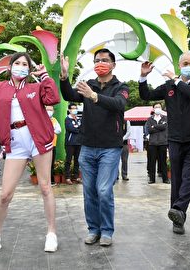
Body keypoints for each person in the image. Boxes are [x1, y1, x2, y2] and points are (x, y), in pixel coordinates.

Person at [0, 52, 60, 253]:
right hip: (14, 143)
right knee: (5, 194)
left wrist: (45, 76)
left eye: (25, 64)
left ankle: (51, 233)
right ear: (10, 66)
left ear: (30, 70)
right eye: (18, 63)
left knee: (45, 187)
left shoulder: (35, 87)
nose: (21, 66)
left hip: (38, 139)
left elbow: (53, 98)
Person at [60, 48, 129, 246]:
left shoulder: (120, 87)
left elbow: (119, 104)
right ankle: (94, 229)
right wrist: (64, 78)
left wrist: (94, 96)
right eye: (97, 60)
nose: (101, 63)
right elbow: (69, 96)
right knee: (89, 190)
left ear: (113, 65)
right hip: (87, 146)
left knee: (104, 189)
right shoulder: (89, 84)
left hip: (110, 147)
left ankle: (107, 231)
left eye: (105, 60)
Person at [139, 51, 190, 235]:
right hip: (175, 139)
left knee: (189, 178)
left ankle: (178, 209)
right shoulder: (168, 86)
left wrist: (177, 81)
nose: (188, 66)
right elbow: (146, 95)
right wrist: (143, 77)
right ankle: (177, 218)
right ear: (179, 65)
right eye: (184, 63)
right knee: (176, 179)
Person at [145, 102, 169, 184]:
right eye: (156, 107)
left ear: (161, 108)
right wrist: (158, 127)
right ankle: (152, 179)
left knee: (163, 162)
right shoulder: (149, 119)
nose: (157, 108)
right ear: (153, 109)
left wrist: (154, 126)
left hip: (163, 142)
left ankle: (165, 179)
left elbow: (164, 127)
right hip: (152, 143)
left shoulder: (165, 118)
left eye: (159, 107)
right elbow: (149, 130)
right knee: (152, 162)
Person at [64, 103, 81, 184]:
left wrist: (77, 128)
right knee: (68, 160)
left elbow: (82, 128)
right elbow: (71, 129)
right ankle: (67, 177)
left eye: (75, 108)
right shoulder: (67, 119)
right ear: (69, 110)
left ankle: (76, 176)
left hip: (78, 143)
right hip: (70, 143)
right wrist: (78, 129)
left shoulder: (78, 119)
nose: (74, 110)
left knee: (77, 160)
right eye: (73, 108)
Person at [46, 105, 61, 186]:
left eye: (51, 110)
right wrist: (52, 129)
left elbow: (59, 130)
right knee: (44, 165)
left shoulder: (54, 120)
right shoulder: (42, 119)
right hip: (44, 146)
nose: (49, 111)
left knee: (51, 164)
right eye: (47, 109)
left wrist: (50, 129)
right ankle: (44, 182)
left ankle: (51, 181)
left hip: (53, 145)